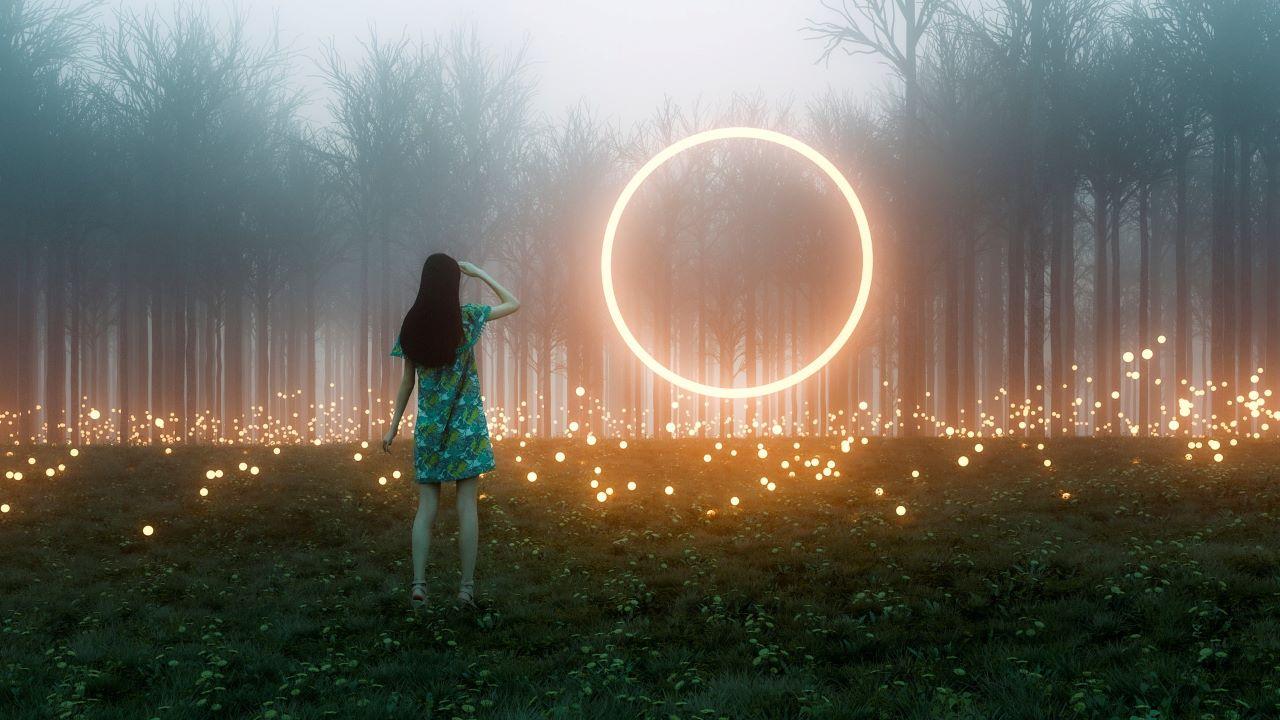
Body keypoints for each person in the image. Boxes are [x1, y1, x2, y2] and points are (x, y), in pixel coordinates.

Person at [381, 253, 519, 610]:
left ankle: (418, 586)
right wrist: (481, 273)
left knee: (426, 508)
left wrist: (394, 425)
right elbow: (513, 303)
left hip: (429, 430)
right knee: (466, 507)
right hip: (467, 430)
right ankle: (465, 590)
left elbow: (406, 383)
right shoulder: (467, 319)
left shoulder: (411, 326)